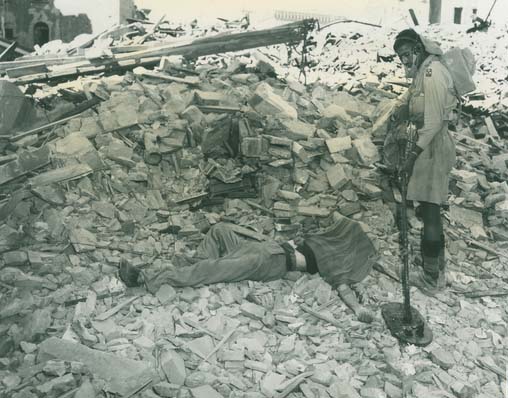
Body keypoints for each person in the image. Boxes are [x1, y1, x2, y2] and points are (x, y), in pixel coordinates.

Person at [119, 214, 378, 323]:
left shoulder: (337, 263)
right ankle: (192, 264)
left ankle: (145, 278)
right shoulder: (322, 239)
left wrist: (358, 309)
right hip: (266, 246)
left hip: (269, 263)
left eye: (345, 231)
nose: (339, 228)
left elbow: (343, 288)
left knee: (213, 268)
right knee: (220, 230)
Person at [391, 29, 457, 295]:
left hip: (432, 147)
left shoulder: (433, 74)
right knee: (427, 209)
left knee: (430, 211)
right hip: (426, 145)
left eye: (408, 54)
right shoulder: (423, 72)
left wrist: (410, 159)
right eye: (401, 57)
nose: (405, 60)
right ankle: (436, 268)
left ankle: (431, 278)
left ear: (419, 49)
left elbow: (432, 124)